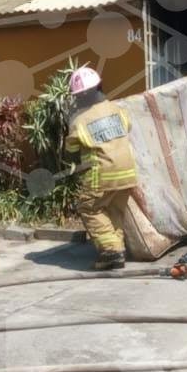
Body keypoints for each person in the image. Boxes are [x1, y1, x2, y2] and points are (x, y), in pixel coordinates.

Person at [65, 67, 138, 270]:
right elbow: (127, 128)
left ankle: (111, 251)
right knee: (115, 210)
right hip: (128, 171)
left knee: (89, 207)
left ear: (79, 96)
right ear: (100, 86)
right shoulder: (117, 109)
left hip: (101, 173)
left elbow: (70, 150)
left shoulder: (79, 120)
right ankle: (118, 250)